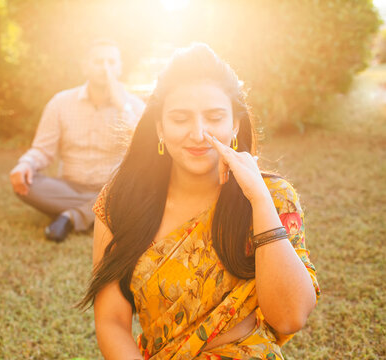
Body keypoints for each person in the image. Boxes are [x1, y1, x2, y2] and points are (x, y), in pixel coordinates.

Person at [79, 44, 320, 359]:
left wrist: (259, 201)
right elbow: (112, 322)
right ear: (159, 127)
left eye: (215, 116)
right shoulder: (119, 203)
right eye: (180, 118)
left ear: (234, 124)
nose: (198, 133)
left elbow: (291, 316)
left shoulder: (273, 197)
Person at [9, 39, 145, 243]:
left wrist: (122, 106)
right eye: (98, 62)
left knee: (138, 193)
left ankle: (70, 216)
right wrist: (25, 164)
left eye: (111, 62)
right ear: (85, 67)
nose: (105, 68)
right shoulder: (60, 102)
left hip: (115, 189)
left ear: (120, 67)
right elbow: (43, 151)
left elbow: (143, 151)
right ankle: (103, 212)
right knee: (26, 185)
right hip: (68, 187)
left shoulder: (135, 106)